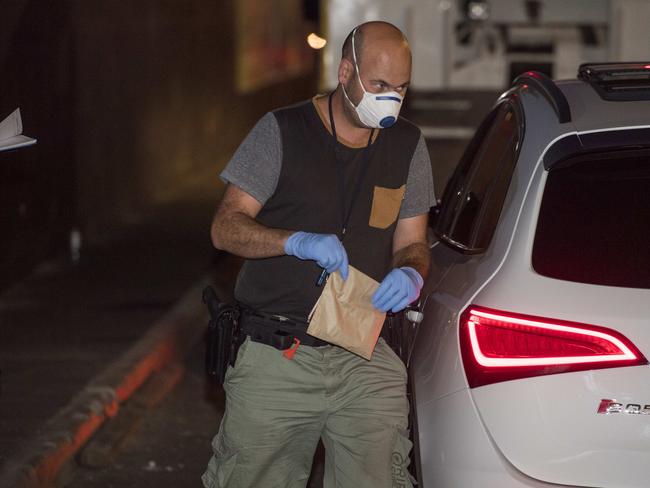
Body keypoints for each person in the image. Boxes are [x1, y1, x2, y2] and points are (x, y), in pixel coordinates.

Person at [202, 20, 435, 488]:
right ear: (345, 71)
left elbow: (412, 244)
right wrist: (293, 241)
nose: (390, 99)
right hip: (278, 354)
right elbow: (225, 229)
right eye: (379, 85)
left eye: (401, 88)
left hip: (365, 354)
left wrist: (411, 275)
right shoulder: (282, 132)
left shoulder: (407, 145)